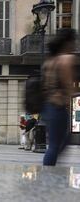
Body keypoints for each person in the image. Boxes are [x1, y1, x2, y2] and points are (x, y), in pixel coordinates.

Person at [42, 29, 77, 166]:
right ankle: (49, 173)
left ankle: (50, 169)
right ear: (68, 42)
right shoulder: (66, 59)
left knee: (55, 144)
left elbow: (45, 86)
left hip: (48, 106)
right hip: (58, 106)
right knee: (57, 144)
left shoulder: (49, 61)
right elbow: (68, 85)